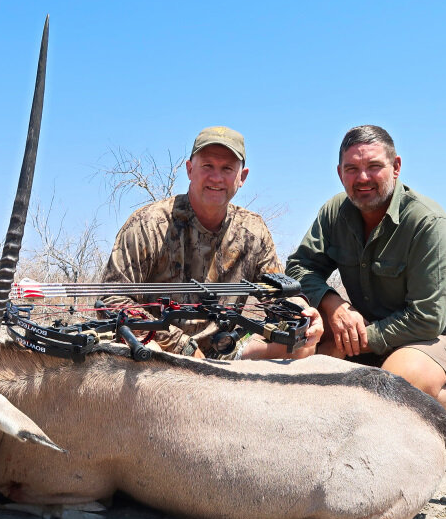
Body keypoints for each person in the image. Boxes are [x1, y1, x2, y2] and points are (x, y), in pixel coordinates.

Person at [286, 125, 446, 411]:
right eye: (352, 168)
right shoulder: (335, 211)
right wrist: (333, 305)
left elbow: (427, 318)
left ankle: (436, 422)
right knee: (298, 339)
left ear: (396, 167)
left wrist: (352, 342)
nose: (362, 178)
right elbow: (298, 268)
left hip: (445, 336)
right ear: (339, 172)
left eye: (374, 166)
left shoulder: (428, 223)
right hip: (374, 327)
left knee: (393, 385)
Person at [102, 126, 322, 359]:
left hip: (225, 350)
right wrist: (180, 345)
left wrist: (301, 311)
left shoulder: (253, 229)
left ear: (242, 177)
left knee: (304, 344)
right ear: (189, 169)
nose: (216, 178)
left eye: (227, 168)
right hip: (163, 349)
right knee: (147, 352)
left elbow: (276, 295)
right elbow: (111, 300)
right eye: (207, 166)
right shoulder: (148, 223)